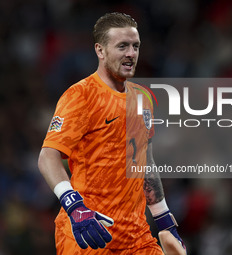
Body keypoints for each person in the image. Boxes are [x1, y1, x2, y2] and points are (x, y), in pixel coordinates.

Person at [38, 12, 186, 254]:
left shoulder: (143, 98)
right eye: (122, 46)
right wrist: (74, 207)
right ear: (100, 50)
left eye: (135, 46)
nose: (131, 53)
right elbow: (47, 157)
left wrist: (165, 220)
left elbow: (144, 163)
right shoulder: (81, 96)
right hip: (88, 232)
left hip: (136, 237)